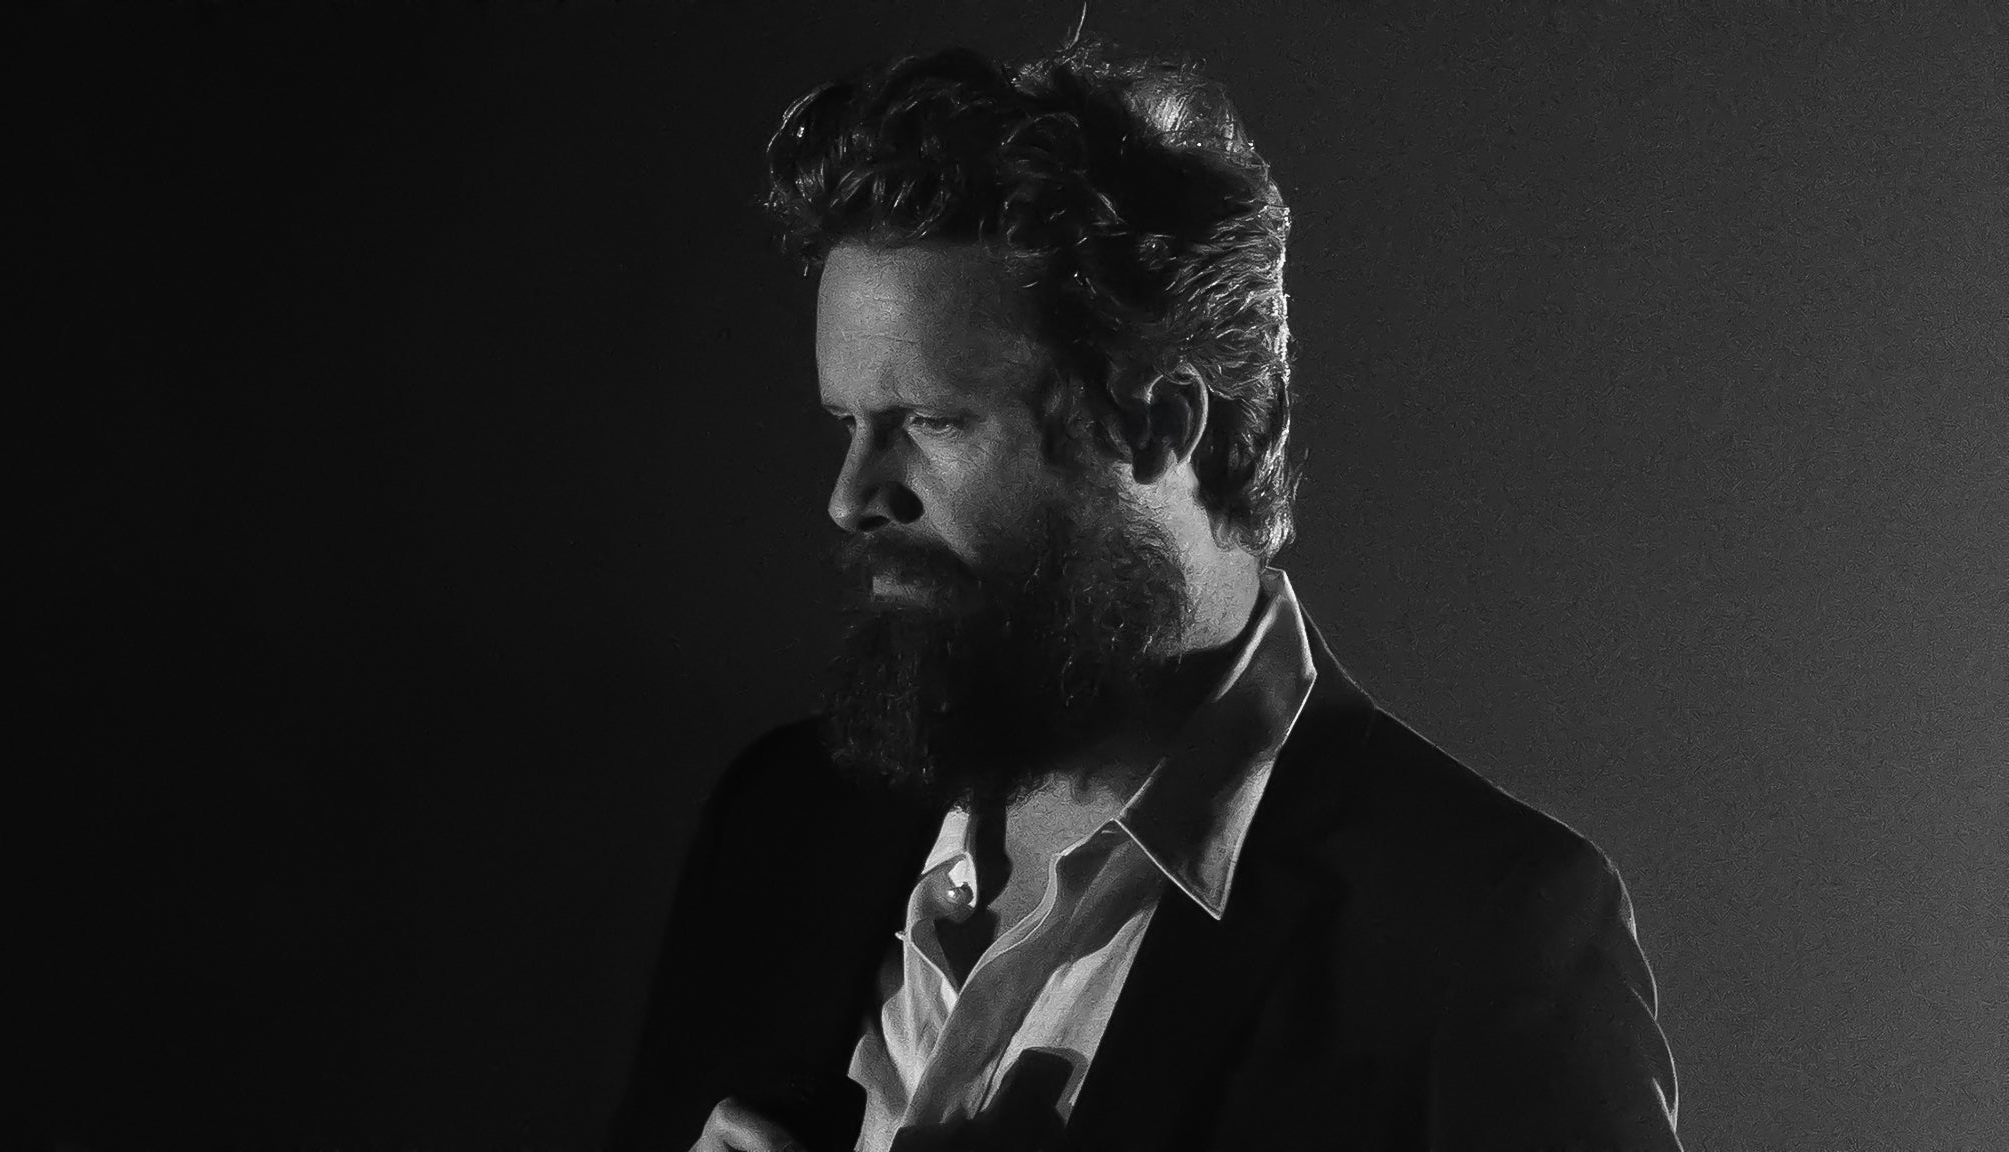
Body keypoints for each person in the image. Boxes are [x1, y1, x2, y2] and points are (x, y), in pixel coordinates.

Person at [609, 37, 1682, 1152]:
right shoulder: (780, 823)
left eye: (933, 422)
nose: (851, 498)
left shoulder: (1487, 932)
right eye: (847, 423)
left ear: (1164, 424)